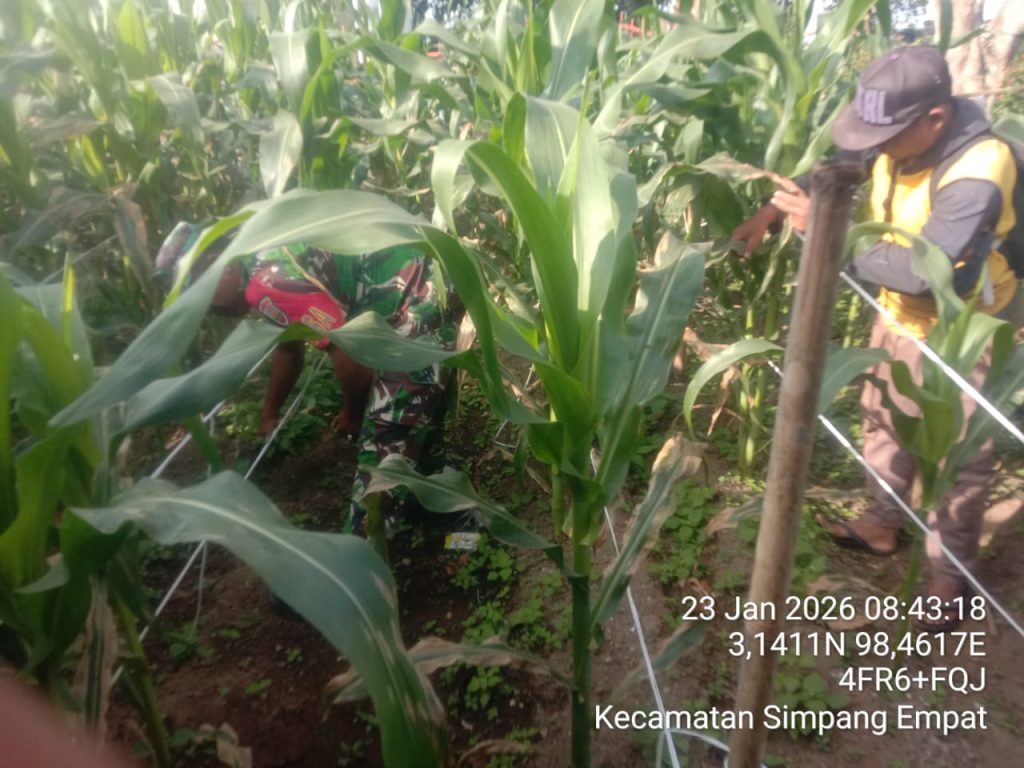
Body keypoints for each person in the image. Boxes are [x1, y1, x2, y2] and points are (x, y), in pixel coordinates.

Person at [732, 46, 1021, 631]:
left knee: (960, 456)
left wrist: (829, 232)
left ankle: (947, 578)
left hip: (965, 328)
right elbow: (839, 166)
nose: (874, 145)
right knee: (881, 417)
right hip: (897, 314)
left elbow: (924, 270)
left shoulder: (980, 167)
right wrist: (770, 211)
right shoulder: (896, 136)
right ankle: (883, 523)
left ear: (935, 119)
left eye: (885, 135)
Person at [156, 227, 459, 536]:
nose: (211, 309)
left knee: (384, 445)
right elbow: (289, 349)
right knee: (420, 420)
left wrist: (353, 414)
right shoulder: (262, 250)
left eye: (202, 294)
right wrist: (270, 411)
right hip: (431, 279)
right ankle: (441, 514)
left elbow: (351, 358)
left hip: (416, 303)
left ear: (219, 263)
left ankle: (365, 553)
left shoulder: (265, 282)